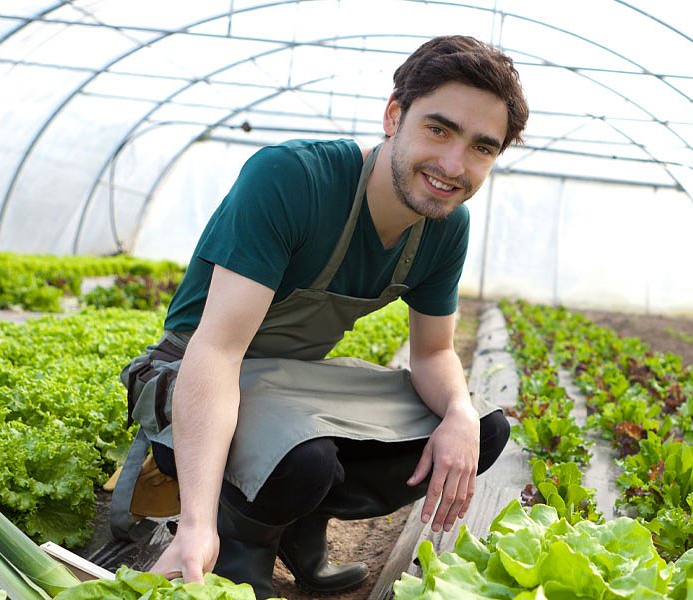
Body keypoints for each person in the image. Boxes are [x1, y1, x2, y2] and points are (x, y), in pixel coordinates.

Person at [112, 35, 528, 597]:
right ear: (393, 116)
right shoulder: (293, 179)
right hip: (190, 375)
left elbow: (432, 352)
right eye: (439, 128)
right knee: (303, 457)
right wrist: (194, 523)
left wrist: (457, 410)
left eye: (482, 147)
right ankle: (240, 543)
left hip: (289, 389)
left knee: (480, 430)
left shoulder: (445, 224)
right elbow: (217, 351)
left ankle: (299, 522)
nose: (454, 165)